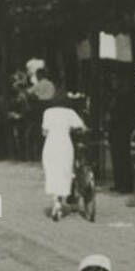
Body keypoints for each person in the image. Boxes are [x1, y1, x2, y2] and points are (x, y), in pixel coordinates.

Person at [41, 93, 86, 221]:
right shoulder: (70, 112)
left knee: (52, 172)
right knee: (64, 172)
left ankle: (56, 201)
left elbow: (44, 131)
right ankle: (60, 200)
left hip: (50, 145)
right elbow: (81, 126)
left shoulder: (47, 112)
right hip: (65, 145)